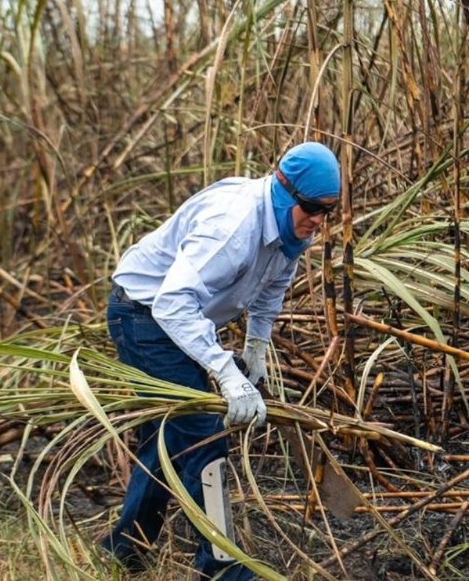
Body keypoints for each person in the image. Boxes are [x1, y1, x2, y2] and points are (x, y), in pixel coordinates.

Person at [101, 141, 341, 579]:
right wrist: (227, 375)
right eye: (312, 208)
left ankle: (125, 550)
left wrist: (256, 347)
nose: (319, 220)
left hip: (175, 320)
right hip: (143, 315)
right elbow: (172, 303)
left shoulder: (294, 227)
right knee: (203, 437)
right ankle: (223, 569)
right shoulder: (233, 227)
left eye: (329, 210)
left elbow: (272, 289)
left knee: (168, 435)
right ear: (286, 192)